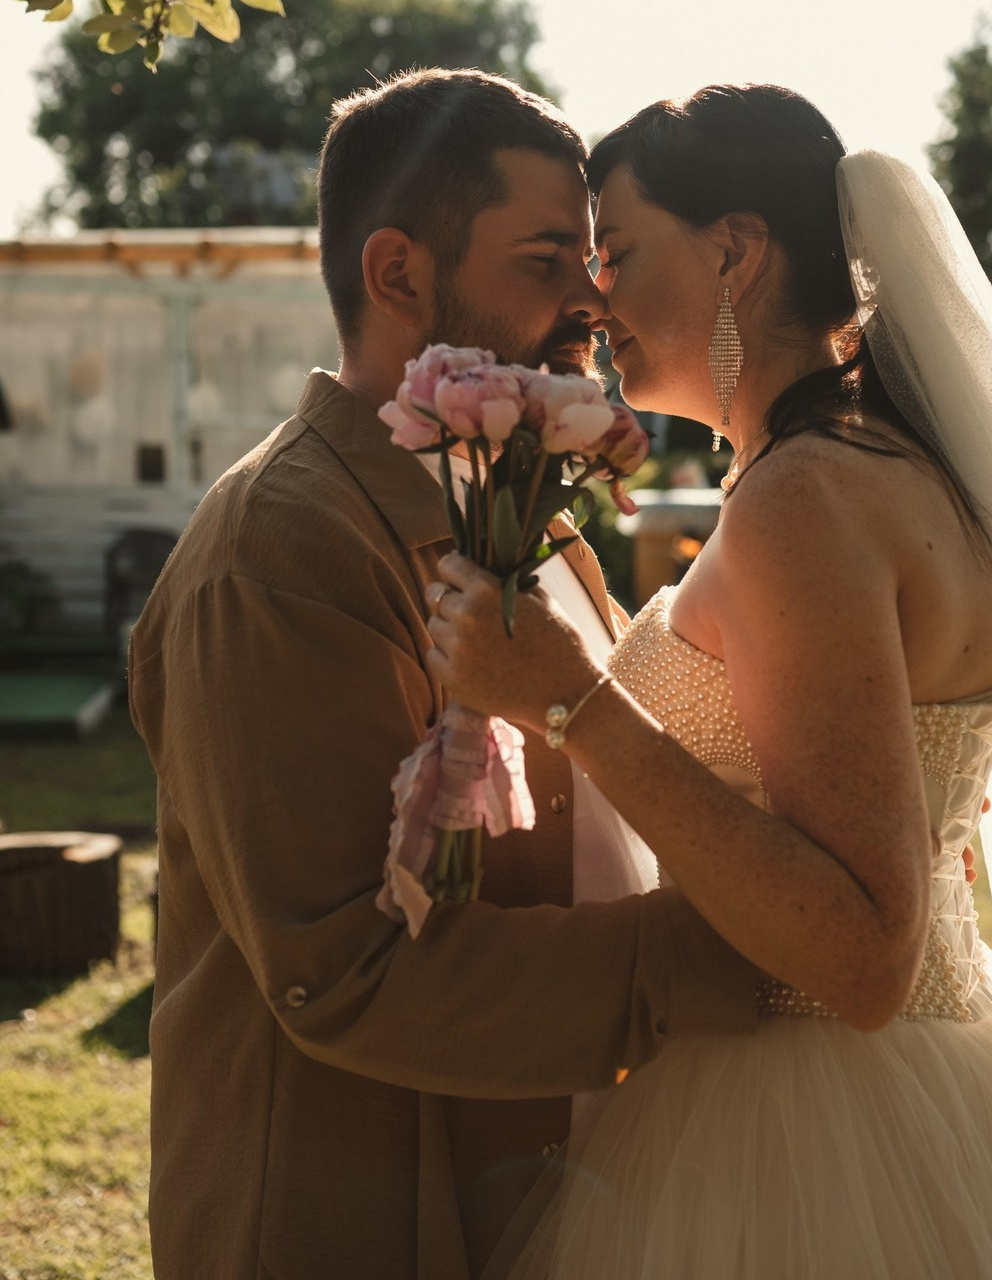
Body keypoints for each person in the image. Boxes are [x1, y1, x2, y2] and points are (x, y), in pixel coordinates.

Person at [424, 85, 992, 1278]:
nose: (592, 296)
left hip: (812, 1118)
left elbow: (865, 952)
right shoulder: (869, 470)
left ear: (734, 248)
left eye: (616, 251)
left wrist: (571, 699)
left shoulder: (803, 502)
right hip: (947, 1079)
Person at [127, 69, 766, 1280]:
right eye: (543, 260)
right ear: (396, 274)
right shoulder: (281, 548)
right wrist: (742, 957)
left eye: (591, 258)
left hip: (547, 1181)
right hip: (364, 1213)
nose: (592, 297)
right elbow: (348, 970)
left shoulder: (529, 506)